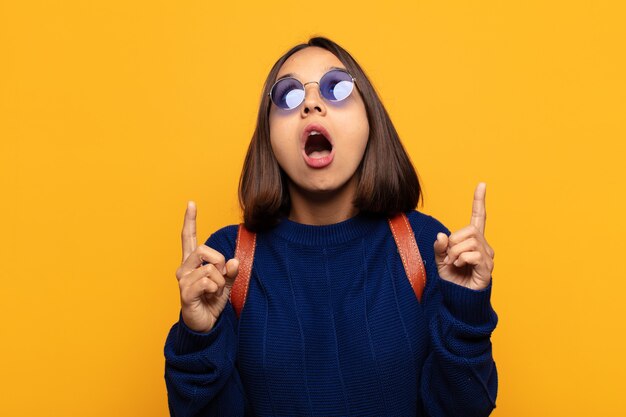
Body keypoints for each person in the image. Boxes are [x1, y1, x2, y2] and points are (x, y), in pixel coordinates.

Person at [164, 37, 498, 417]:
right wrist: (198, 338)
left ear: (370, 119)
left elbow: (463, 408)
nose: (310, 103)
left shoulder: (426, 247)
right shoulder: (227, 261)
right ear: (268, 137)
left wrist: (466, 309)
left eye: (336, 87)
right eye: (288, 96)